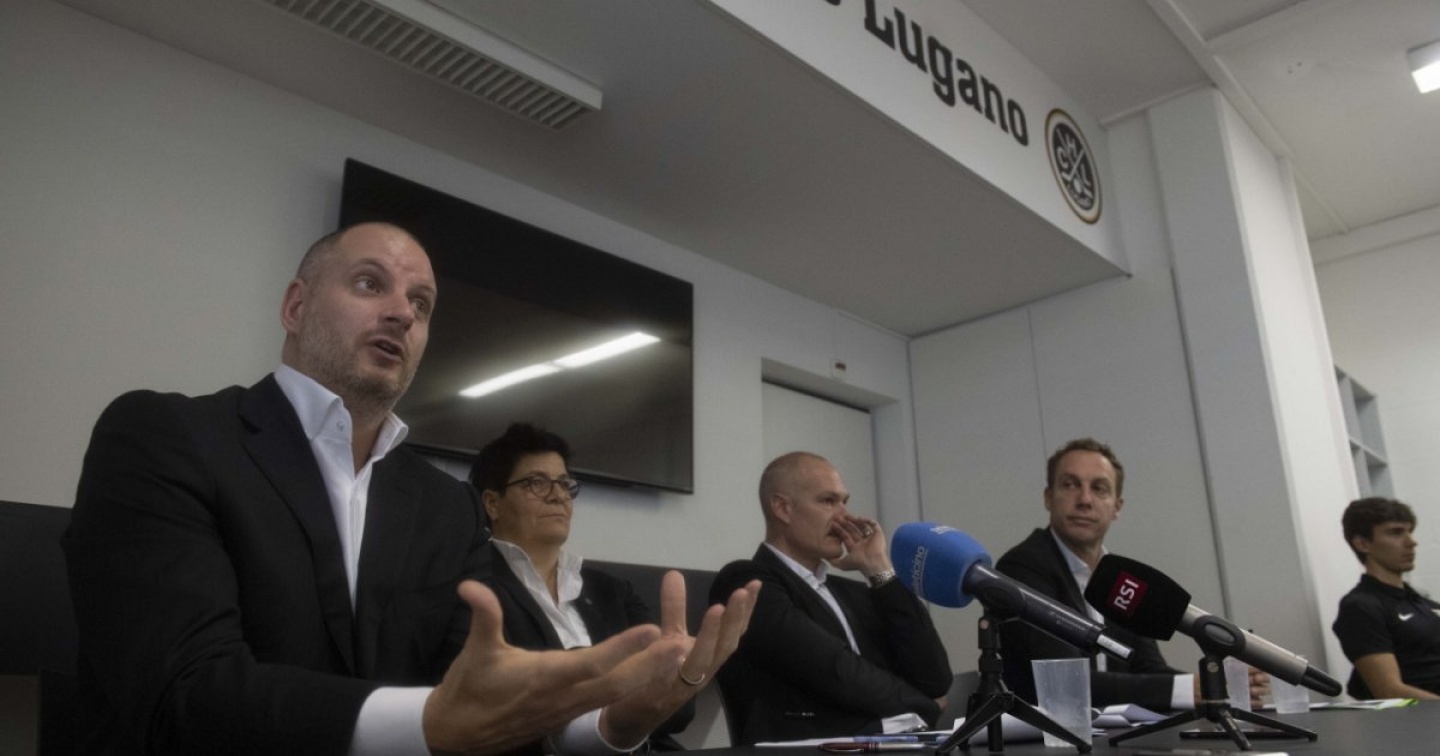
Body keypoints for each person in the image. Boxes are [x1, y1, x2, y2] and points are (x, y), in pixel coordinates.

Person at [64, 222, 758, 755]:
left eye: (420, 304)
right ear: (296, 306)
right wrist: (430, 722)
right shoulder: (164, 436)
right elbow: (183, 692)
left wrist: (613, 724)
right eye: (371, 285)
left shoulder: (443, 505)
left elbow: (480, 693)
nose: (402, 312)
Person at [471, 422, 713, 750]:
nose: (557, 495)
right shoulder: (474, 587)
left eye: (564, 483)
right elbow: (501, 703)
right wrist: (628, 688)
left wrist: (681, 674)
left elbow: (679, 712)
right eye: (536, 483)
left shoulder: (613, 591)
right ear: (492, 503)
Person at [995, 437, 1268, 711]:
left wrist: (1215, 686)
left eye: (1099, 488)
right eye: (1070, 484)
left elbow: (1149, 668)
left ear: (1117, 506)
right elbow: (1065, 683)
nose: (1085, 500)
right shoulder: (1022, 567)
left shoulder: (1120, 579)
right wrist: (1193, 689)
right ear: (1048, 497)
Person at [708, 452, 952, 745]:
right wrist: (924, 705)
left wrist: (880, 571)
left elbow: (935, 679)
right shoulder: (747, 581)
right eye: (828, 501)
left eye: (844, 502)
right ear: (783, 509)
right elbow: (833, 670)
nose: (843, 517)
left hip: (895, 745)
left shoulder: (853, 592)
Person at [1332, 497, 1440, 700]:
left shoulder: (1424, 604)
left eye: (1410, 531)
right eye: (1396, 532)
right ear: (1363, 544)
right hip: (1421, 717)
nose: (1411, 542)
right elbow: (1389, 691)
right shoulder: (1361, 606)